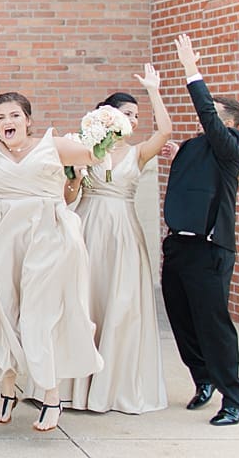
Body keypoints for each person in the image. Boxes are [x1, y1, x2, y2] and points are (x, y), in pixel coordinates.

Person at [0, 33, 103, 432]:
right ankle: (8, 388)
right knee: (2, 314)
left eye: (14, 115)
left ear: (28, 120)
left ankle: (51, 395)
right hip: (1, 242)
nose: (7, 122)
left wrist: (109, 129)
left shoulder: (54, 146)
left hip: (47, 241)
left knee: (38, 315)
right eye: (1, 117)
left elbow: (97, 153)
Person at [63, 70, 171, 414]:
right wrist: (76, 176)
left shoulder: (139, 153)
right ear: (107, 117)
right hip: (86, 225)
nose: (133, 121)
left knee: (122, 305)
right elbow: (68, 197)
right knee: (83, 302)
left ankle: (113, 387)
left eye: (136, 116)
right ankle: (73, 387)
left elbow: (164, 132)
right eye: (127, 114)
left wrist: (153, 91)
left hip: (123, 232)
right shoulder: (84, 149)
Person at [159, 35, 239, 427]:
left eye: (212, 115)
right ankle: (204, 379)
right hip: (178, 247)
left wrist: (190, 70)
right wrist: (176, 151)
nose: (204, 120)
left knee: (213, 327)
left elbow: (209, 120)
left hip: (209, 250)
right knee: (182, 320)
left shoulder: (233, 148)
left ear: (227, 123)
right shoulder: (195, 147)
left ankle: (233, 398)